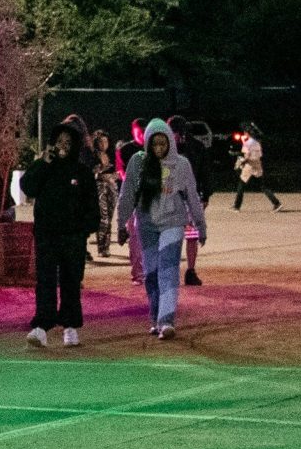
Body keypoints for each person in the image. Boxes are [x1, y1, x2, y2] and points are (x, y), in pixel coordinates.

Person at [116, 118, 206, 339]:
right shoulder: (138, 163)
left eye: (162, 144)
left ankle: (167, 320)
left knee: (168, 270)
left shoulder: (181, 164)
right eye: (154, 144)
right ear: (147, 143)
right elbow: (127, 194)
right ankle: (155, 317)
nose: (158, 148)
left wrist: (200, 224)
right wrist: (121, 224)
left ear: (169, 143)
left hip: (173, 223)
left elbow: (192, 195)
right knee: (151, 273)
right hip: (146, 225)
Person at [24, 120, 94, 349]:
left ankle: (70, 327)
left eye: (68, 141)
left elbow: (91, 206)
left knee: (71, 281)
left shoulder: (82, 173)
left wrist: (84, 229)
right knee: (45, 280)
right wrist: (42, 163)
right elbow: (28, 187)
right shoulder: (44, 167)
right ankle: (41, 327)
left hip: (73, 237)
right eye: (59, 140)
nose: (63, 145)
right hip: (47, 234)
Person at [169, 116, 210, 286]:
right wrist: (206, 194)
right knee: (189, 236)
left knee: (180, 235)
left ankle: (184, 271)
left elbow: (204, 171)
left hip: (178, 197)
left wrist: (205, 194)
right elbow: (205, 173)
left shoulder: (170, 149)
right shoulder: (198, 147)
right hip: (189, 196)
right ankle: (190, 271)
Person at [232, 122, 280, 212]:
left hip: (249, 166)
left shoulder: (247, 143)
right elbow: (260, 155)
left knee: (241, 186)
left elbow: (246, 156)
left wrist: (241, 162)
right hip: (258, 165)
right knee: (263, 186)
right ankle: (276, 203)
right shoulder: (257, 143)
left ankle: (236, 206)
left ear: (247, 133)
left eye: (245, 132)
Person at [90, 130, 120, 259]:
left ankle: (106, 246)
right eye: (101, 141)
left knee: (110, 217)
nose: (104, 144)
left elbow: (119, 172)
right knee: (103, 218)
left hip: (112, 187)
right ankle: (101, 247)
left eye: (106, 141)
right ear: (96, 142)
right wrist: (100, 173)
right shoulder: (92, 156)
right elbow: (91, 173)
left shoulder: (112, 155)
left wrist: (114, 176)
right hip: (99, 187)